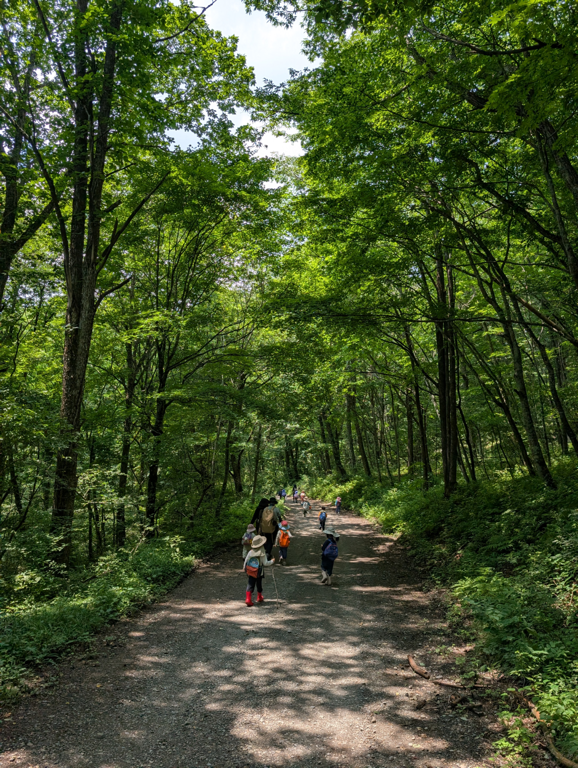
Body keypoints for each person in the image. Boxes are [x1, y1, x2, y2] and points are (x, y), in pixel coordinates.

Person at [243, 535, 275, 606]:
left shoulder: (251, 552)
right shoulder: (262, 553)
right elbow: (266, 563)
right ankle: (259, 596)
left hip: (251, 571)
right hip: (258, 572)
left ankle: (248, 599)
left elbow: (246, 560)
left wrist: (244, 568)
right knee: (259, 584)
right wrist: (272, 561)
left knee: (250, 584)